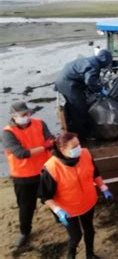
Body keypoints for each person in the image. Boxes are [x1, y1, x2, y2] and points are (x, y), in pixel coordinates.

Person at [38, 132, 113, 259]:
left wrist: (103, 187)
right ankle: (71, 255)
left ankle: (90, 254)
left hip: (88, 202)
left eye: (78, 144)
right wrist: (58, 210)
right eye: (73, 147)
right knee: (75, 236)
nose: (78, 148)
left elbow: (94, 172)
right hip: (68, 209)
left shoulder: (85, 154)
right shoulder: (51, 167)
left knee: (89, 230)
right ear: (62, 150)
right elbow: (45, 196)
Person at [2, 102, 54, 247]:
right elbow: (21, 154)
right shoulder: (8, 133)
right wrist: (44, 147)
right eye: (24, 115)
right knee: (26, 206)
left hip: (45, 171)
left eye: (29, 113)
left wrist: (48, 144)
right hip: (23, 177)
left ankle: (59, 218)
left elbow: (50, 139)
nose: (28, 117)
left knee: (54, 196)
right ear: (14, 116)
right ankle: (25, 232)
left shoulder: (40, 123)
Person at [54, 49, 112, 140]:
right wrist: (100, 90)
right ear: (105, 61)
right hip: (69, 85)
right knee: (79, 109)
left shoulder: (91, 60)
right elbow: (89, 81)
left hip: (64, 81)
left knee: (74, 108)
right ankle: (84, 135)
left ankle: (75, 130)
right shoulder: (94, 65)